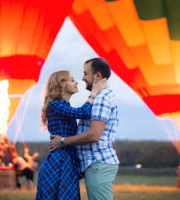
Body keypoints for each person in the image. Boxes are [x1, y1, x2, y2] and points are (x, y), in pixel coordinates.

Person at [50, 58, 119, 200]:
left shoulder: (101, 99)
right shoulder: (59, 105)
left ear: (97, 76)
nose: (81, 79)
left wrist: (62, 141)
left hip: (97, 164)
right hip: (85, 163)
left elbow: (94, 135)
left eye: (85, 73)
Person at [35, 70, 106, 200]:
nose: (76, 81)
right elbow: (84, 112)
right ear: (61, 84)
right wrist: (94, 93)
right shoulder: (55, 106)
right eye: (72, 79)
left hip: (67, 159)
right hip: (58, 161)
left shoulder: (64, 105)